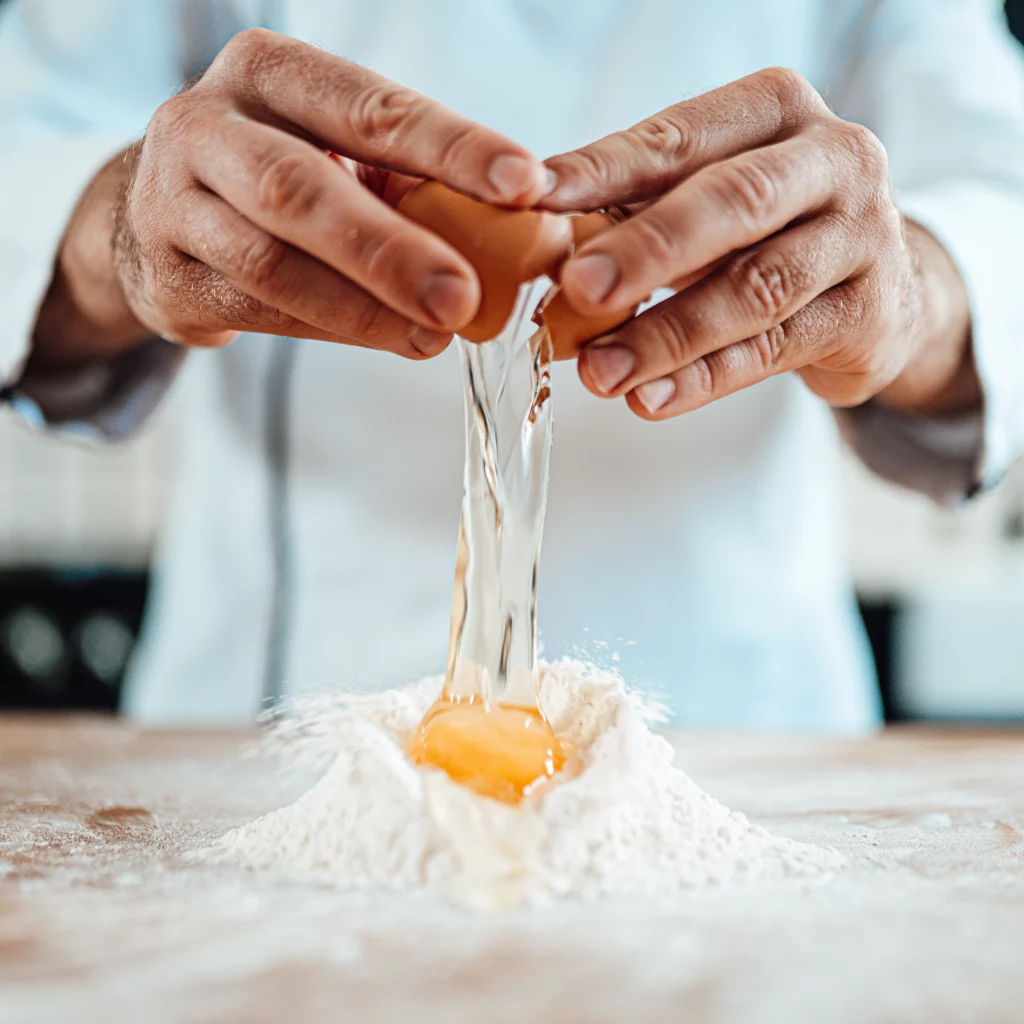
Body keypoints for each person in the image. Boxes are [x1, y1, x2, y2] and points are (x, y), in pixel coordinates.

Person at [1, 0, 1023, 729]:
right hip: (274, 718)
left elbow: (998, 201)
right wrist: (123, 229)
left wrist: (908, 292)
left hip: (736, 727)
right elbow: (27, 149)